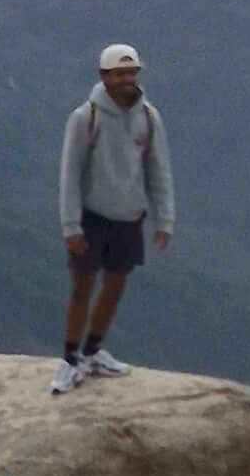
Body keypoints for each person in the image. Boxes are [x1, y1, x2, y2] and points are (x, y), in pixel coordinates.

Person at [53, 41, 175, 388]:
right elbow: (70, 173)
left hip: (129, 218)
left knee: (115, 288)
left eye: (132, 72)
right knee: (82, 288)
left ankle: (93, 351)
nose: (127, 80)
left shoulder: (149, 118)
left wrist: (164, 219)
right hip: (92, 217)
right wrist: (71, 224)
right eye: (120, 73)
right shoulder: (85, 118)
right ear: (104, 76)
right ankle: (69, 358)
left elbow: (158, 170)